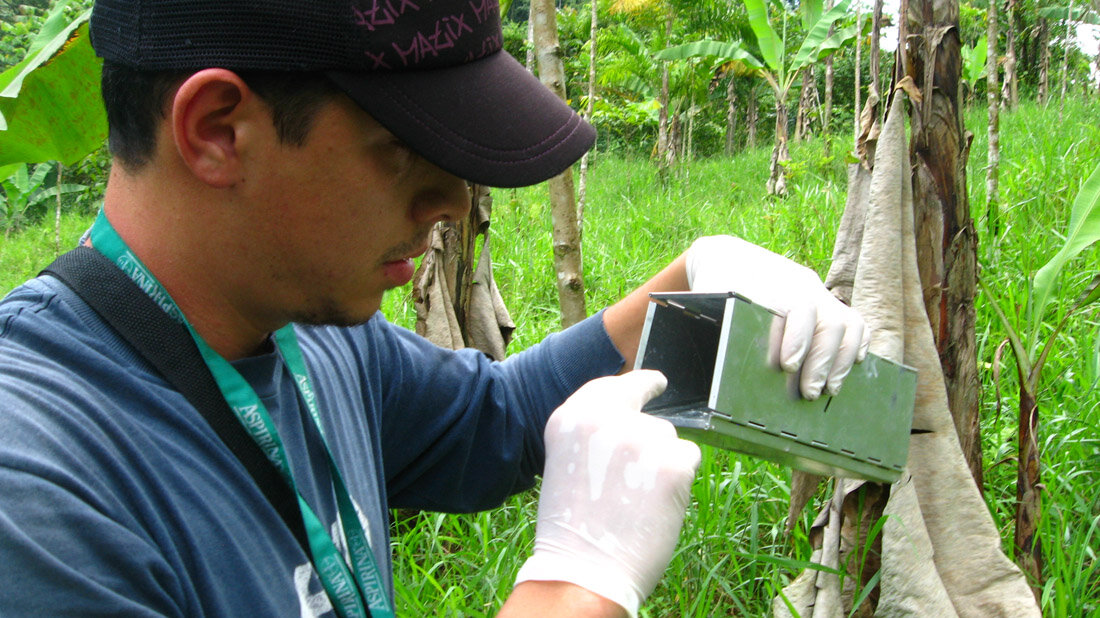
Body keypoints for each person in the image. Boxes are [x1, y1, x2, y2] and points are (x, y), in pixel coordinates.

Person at [0, 1, 868, 616]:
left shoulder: (308, 336)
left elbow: (498, 419)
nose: (453, 201)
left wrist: (689, 283)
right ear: (219, 129)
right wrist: (576, 585)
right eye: (403, 152)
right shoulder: (39, 492)